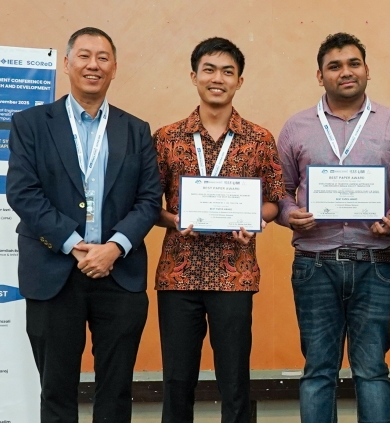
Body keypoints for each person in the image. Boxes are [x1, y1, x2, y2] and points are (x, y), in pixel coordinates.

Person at [5, 27, 161, 422]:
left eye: (103, 58)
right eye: (85, 56)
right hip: (54, 270)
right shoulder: (31, 123)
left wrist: (114, 247)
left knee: (116, 390)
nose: (94, 65)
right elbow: (23, 193)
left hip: (119, 273)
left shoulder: (135, 129)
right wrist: (74, 244)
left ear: (114, 68)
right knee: (57, 390)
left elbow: (148, 200)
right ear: (67, 63)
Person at [275, 32, 390, 423]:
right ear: (320, 76)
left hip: (375, 261)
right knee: (318, 371)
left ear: (367, 69)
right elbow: (280, 190)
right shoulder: (296, 127)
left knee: (372, 371)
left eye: (354, 63)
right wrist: (290, 214)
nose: (346, 72)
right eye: (334, 66)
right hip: (313, 263)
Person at [153, 37, 286, 423]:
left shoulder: (259, 138)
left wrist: (255, 220)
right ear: (193, 76)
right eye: (209, 69)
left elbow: (275, 199)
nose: (218, 78)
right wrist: (174, 220)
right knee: (177, 380)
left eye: (228, 72)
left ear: (239, 81)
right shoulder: (167, 137)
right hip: (179, 274)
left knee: (235, 381)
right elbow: (148, 204)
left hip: (235, 274)